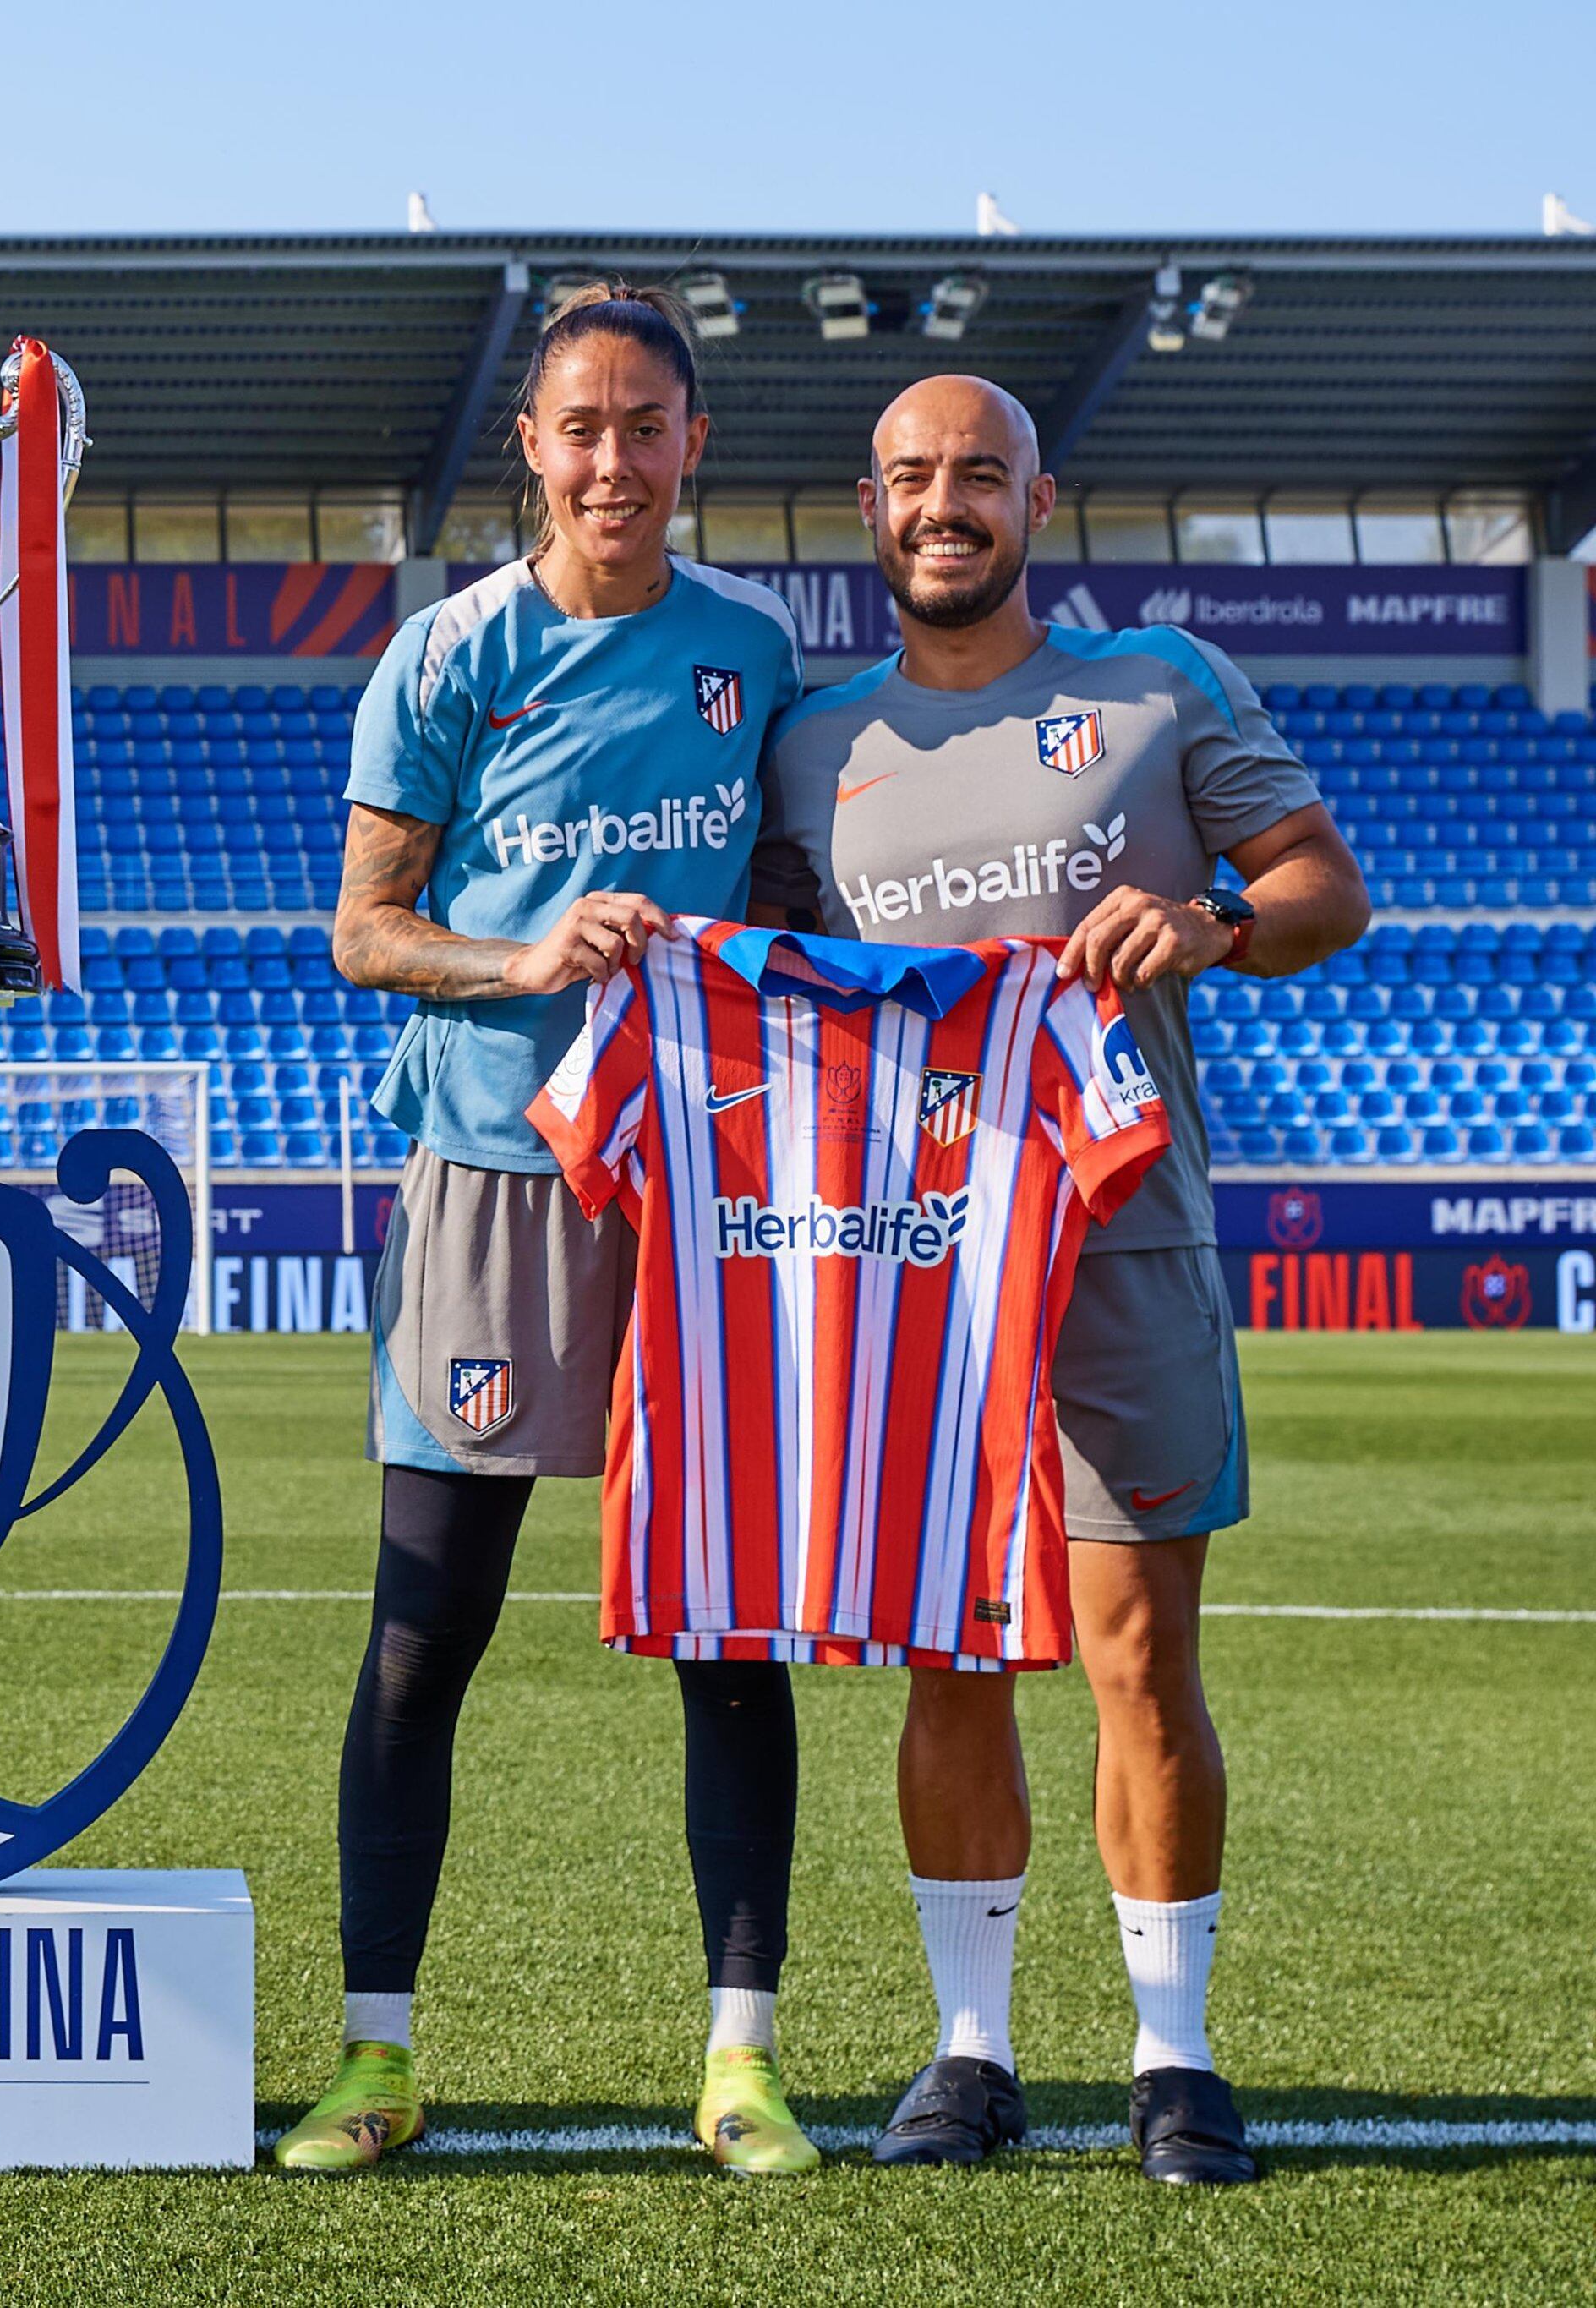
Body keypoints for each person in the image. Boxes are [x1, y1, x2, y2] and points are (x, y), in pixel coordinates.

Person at [763, 375, 1370, 2185]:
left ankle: (1172, 2057)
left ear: (1039, 500)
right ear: (869, 508)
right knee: (949, 1659)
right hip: (911, 1270)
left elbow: (1326, 886)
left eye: (979, 474)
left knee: (1137, 1655)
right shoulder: (811, 742)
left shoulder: (1160, 683)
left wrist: (1210, 921)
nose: (943, 503)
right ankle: (969, 2053)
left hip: (1124, 1239)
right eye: (911, 477)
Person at [281, 283, 817, 2176]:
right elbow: (364, 933)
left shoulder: (750, 647)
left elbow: (791, 891)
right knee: (422, 1634)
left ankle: (740, 2062)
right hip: (496, 1173)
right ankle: (373, 2056)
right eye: (579, 428)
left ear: (691, 446)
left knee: (727, 1634)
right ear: (530, 446)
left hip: (700, 1188)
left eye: (644, 426)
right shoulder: (445, 655)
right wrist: (521, 957)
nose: (612, 461)